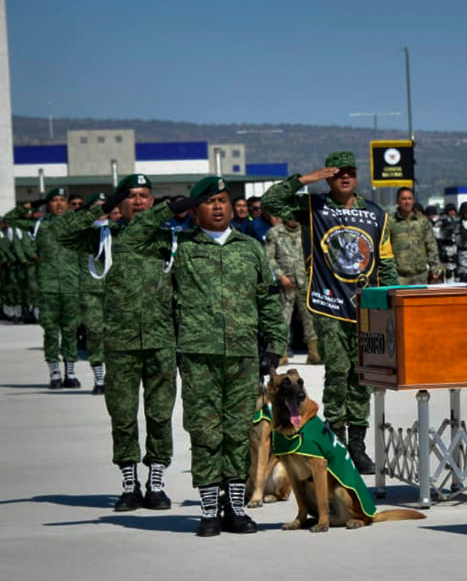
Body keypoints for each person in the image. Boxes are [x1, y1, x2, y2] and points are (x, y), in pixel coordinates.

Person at [122, 176, 287, 536]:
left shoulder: (250, 247)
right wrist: (170, 209)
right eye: (209, 201)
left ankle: (236, 509)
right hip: (198, 357)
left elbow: (267, 300)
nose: (218, 207)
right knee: (205, 432)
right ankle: (210, 509)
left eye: (223, 200)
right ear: (195, 209)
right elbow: (133, 237)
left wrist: (274, 347)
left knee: (238, 433)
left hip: (243, 356)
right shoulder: (178, 246)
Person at [261, 152, 400, 474]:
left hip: (366, 306)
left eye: (349, 172)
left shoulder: (375, 214)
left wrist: (391, 303)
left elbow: (386, 262)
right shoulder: (314, 207)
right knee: (337, 371)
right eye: (338, 173)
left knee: (361, 375)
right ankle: (336, 442)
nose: (344, 178)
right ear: (328, 176)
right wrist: (304, 180)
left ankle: (358, 447)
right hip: (329, 305)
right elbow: (270, 202)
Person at [57, 174, 179, 511]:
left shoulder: (169, 237)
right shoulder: (105, 237)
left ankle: (156, 482)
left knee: (159, 415)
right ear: (119, 203)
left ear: (152, 201)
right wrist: (99, 208)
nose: (138, 201)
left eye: (144, 195)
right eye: (130, 196)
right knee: (123, 416)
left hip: (160, 341)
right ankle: (129, 483)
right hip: (121, 343)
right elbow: (61, 233)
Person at [3, 188, 81, 388]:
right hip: (47, 288)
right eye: (54, 200)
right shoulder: (39, 225)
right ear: (48, 204)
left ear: (67, 204)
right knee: (51, 332)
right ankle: (55, 373)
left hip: (71, 286)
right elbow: (10, 218)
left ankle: (71, 373)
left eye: (62, 200)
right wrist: (33, 204)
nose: (59, 204)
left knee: (70, 331)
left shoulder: (76, 224)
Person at [264, 217, 320, 364]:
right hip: (285, 283)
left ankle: (314, 352)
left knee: (310, 318)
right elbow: (268, 258)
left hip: (305, 281)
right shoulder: (274, 233)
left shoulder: (307, 232)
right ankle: (281, 353)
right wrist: (280, 276)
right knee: (283, 318)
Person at [76, 192, 109, 392]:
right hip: (90, 290)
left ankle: (112, 375)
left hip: (115, 291)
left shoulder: (117, 230)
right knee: (95, 332)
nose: (101, 210)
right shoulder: (82, 232)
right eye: (97, 206)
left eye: (104, 205)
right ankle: (99, 378)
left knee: (115, 335)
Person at [389, 187, 442, 285]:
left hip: (420, 275)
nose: (407, 202)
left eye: (410, 198)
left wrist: (435, 268)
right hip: (399, 276)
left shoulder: (422, 221)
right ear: (397, 201)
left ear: (413, 200)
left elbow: (431, 245)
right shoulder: (390, 221)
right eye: (404, 199)